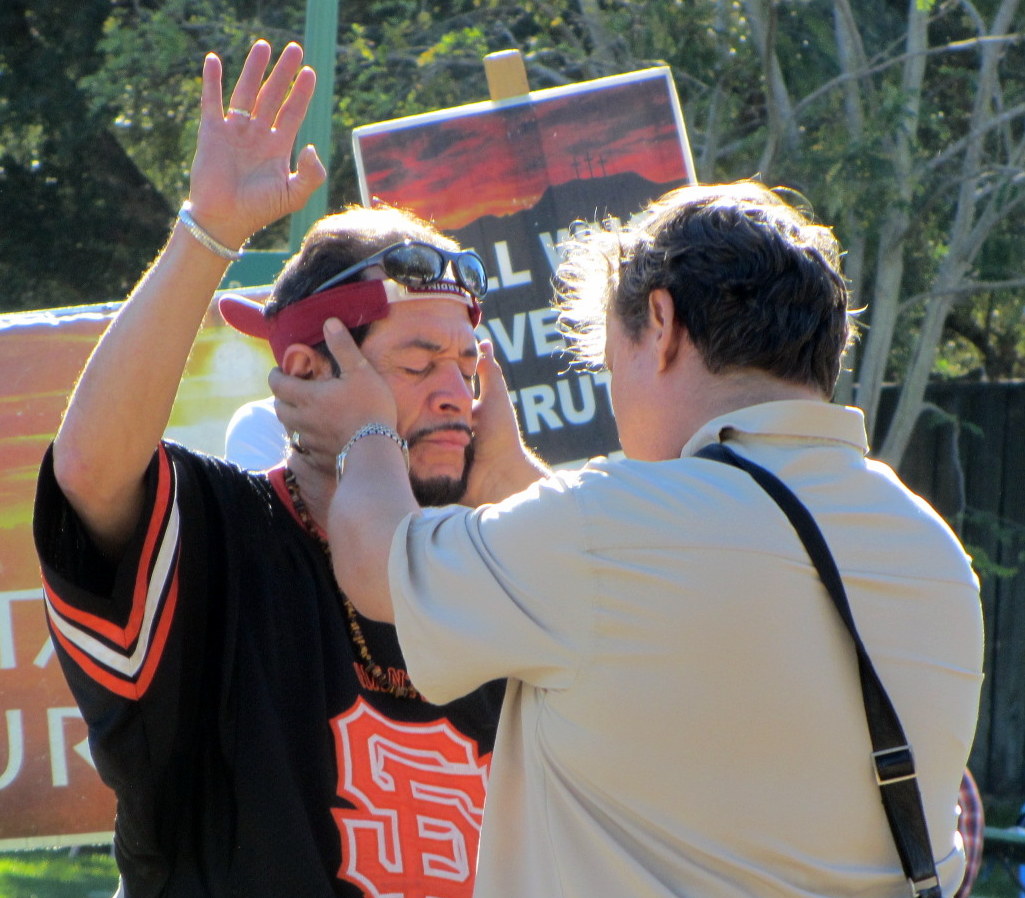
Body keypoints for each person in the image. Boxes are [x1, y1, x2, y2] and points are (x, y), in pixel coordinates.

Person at [272, 181, 985, 897]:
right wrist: (515, 476)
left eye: (613, 365)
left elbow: (376, 565)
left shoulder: (603, 531)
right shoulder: (934, 558)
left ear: (663, 322)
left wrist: (362, 427)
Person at [33, 40, 537, 898]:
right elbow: (90, 470)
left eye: (470, 364)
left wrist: (516, 481)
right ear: (307, 373)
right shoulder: (229, 536)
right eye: (419, 365)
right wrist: (209, 232)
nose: (457, 394)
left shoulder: (488, 574)